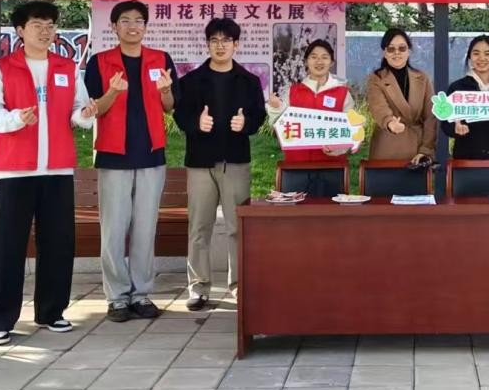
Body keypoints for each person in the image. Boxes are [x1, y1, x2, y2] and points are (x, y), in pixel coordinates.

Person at [0, 1, 96, 346]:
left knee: (58, 243)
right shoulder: (4, 67)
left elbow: (78, 109)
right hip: (15, 170)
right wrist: (16, 118)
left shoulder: (66, 67)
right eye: (37, 26)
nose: (45, 32)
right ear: (20, 31)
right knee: (8, 246)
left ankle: (51, 311)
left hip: (57, 167)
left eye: (50, 26)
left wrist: (85, 115)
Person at [83, 0, 176, 323]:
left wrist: (166, 91)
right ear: (114, 26)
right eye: (125, 20)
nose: (132, 26)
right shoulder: (100, 62)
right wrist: (112, 92)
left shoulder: (160, 59)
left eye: (139, 20)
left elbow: (169, 106)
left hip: (151, 153)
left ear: (146, 26)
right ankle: (117, 297)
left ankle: (141, 293)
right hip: (114, 155)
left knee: (145, 228)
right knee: (113, 229)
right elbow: (95, 108)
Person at [173, 17, 266, 310]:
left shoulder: (249, 81)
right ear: (207, 44)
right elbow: (179, 115)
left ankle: (238, 285)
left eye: (226, 40)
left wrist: (246, 124)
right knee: (200, 226)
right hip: (200, 162)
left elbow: (259, 115)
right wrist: (195, 123)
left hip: (235, 162)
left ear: (236, 44)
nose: (220, 46)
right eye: (214, 40)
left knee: (237, 227)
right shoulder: (190, 81)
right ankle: (198, 287)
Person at [267, 39, 355, 198]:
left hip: (333, 169)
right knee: (296, 212)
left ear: (331, 62)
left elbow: (351, 129)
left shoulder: (343, 93)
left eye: (324, 57)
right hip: (295, 168)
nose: (319, 61)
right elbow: (278, 126)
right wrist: (275, 108)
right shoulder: (292, 92)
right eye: (314, 57)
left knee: (332, 212)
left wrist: (339, 148)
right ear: (306, 61)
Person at [365, 27, 436, 165]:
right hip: (387, 147)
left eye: (402, 48)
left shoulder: (423, 78)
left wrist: (426, 150)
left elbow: (430, 117)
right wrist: (389, 122)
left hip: (417, 150)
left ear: (409, 51)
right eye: (391, 49)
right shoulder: (376, 79)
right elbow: (378, 107)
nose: (396, 53)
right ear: (384, 53)